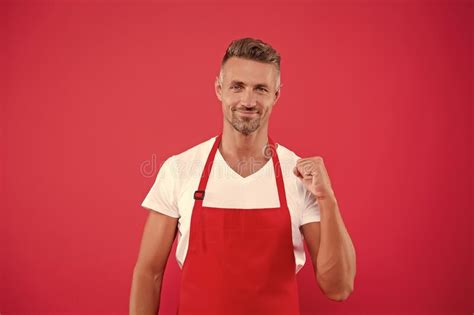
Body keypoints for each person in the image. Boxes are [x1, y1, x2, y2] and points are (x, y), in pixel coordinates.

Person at [129, 37, 356, 315]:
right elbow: (148, 273)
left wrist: (327, 198)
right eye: (237, 87)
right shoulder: (179, 169)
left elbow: (339, 287)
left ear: (276, 95)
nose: (248, 101)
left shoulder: (300, 176)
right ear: (219, 89)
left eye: (260, 89)